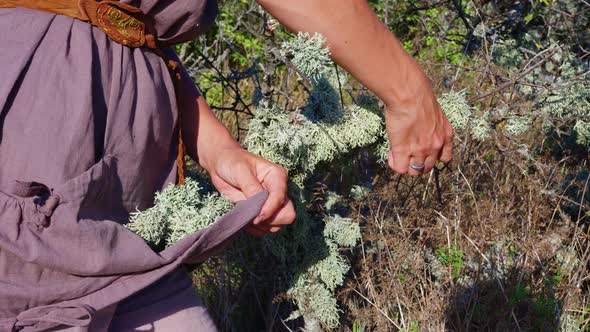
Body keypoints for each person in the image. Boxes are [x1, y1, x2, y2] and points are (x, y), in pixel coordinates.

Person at [0, 0, 452, 331]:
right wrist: (408, 92)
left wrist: (219, 151)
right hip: (35, 136)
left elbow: (126, 33)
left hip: (121, 210)